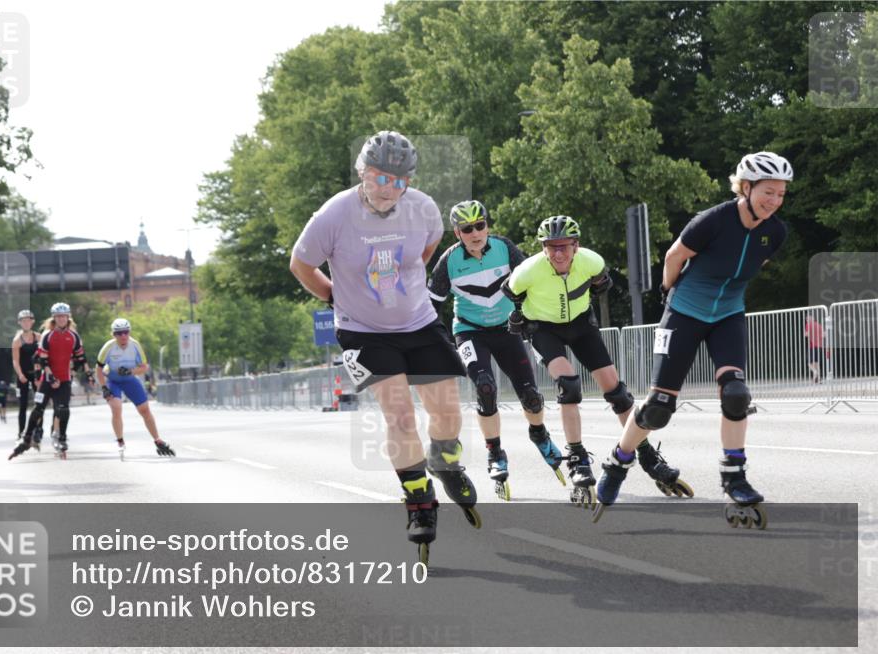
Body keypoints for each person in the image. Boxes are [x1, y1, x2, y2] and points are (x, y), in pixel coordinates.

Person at [290, 130, 478, 564]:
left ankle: (444, 461)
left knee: (448, 413)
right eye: (378, 177)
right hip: (362, 331)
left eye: (397, 181)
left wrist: (405, 289)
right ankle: (417, 497)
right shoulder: (334, 214)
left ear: (408, 182)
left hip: (418, 323)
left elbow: (425, 251)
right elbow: (301, 264)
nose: (386, 189)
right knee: (399, 413)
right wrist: (332, 296)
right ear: (363, 171)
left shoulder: (424, 209)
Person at [593, 151, 792, 527]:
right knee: (658, 408)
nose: (775, 201)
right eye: (768, 192)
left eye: (781, 194)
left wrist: (725, 296)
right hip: (684, 311)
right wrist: (669, 292)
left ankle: (734, 475)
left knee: (735, 394)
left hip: (728, 314)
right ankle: (617, 462)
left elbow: (750, 267)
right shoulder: (713, 220)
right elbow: (675, 255)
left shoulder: (775, 231)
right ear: (745, 187)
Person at [503, 215, 691, 508]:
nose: (558, 254)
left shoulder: (592, 262)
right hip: (544, 328)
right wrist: (518, 316)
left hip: (580, 325)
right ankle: (577, 458)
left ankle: (646, 453)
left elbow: (601, 281)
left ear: (576, 246)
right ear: (543, 248)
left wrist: (599, 285)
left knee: (616, 391)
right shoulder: (528, 271)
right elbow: (508, 292)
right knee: (569, 386)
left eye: (564, 246)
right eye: (551, 247)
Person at [428, 200, 565, 501]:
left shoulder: (505, 249)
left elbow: (532, 283)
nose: (476, 233)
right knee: (486, 388)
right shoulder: (448, 262)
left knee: (530, 395)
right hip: (469, 332)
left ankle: (540, 434)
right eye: (468, 229)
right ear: (457, 233)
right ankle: (495, 453)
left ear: (487, 225)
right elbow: (431, 307)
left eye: (480, 225)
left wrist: (532, 318)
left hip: (506, 330)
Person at [8, 302, 91, 460]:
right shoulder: (47, 335)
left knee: (63, 409)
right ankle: (26, 438)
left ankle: (61, 438)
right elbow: (41, 358)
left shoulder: (74, 336)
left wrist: (84, 372)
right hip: (47, 379)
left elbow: (81, 357)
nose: (61, 319)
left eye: (64, 316)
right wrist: (49, 375)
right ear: (54, 318)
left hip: (64, 379)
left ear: (68, 318)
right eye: (58, 317)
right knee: (38, 408)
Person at [96, 318, 175, 458]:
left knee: (145, 410)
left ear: (129, 332)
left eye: (125, 332)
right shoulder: (108, 347)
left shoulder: (135, 345)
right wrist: (103, 387)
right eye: (119, 333)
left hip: (130, 380)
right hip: (113, 381)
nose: (123, 336)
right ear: (113, 335)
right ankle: (120, 441)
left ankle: (158, 440)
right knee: (116, 408)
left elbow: (144, 367)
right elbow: (98, 368)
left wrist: (131, 371)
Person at [11, 310, 43, 446]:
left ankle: (38, 430)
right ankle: (21, 432)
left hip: (37, 375)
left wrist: (40, 374)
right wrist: (20, 375)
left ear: (32, 322)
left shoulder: (39, 338)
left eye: (28, 320)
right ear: (19, 323)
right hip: (23, 375)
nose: (26, 323)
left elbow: (44, 357)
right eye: (23, 321)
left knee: (39, 404)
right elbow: (15, 361)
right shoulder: (17, 341)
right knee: (23, 405)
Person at [804, 313, 828, 384]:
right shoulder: (819, 325)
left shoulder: (808, 324)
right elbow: (824, 335)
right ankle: (818, 379)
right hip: (820, 346)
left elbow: (807, 334)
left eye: (807, 319)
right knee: (816, 363)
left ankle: (815, 372)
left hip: (813, 346)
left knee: (809, 363)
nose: (807, 320)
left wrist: (805, 333)